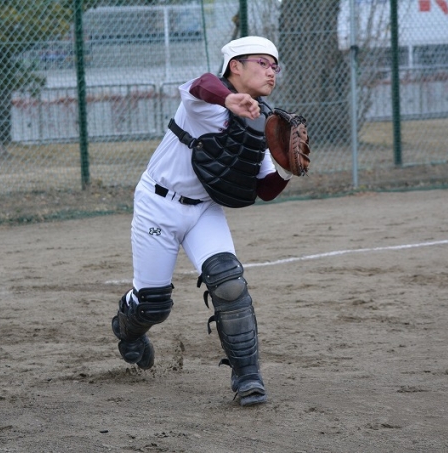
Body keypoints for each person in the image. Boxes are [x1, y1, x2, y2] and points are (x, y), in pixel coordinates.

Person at [111, 36, 294, 407]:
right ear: (235, 66)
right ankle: (128, 329)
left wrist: (288, 169)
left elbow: (264, 189)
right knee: (153, 306)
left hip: (205, 211)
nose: (271, 71)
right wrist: (229, 99)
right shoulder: (207, 98)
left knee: (229, 283)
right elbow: (200, 84)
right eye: (262, 63)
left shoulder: (263, 123)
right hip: (158, 203)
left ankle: (247, 376)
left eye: (275, 65)